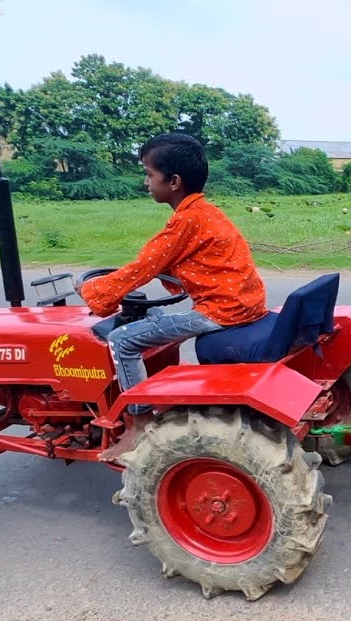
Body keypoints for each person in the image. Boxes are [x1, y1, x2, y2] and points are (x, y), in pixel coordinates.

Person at [77, 132, 268, 456]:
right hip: (243, 304)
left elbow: (142, 267)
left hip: (220, 311)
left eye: (149, 174)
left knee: (122, 340)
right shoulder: (206, 212)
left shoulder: (186, 222)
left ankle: (138, 426)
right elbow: (175, 266)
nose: (146, 182)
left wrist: (91, 291)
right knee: (154, 318)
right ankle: (158, 396)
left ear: (174, 181)